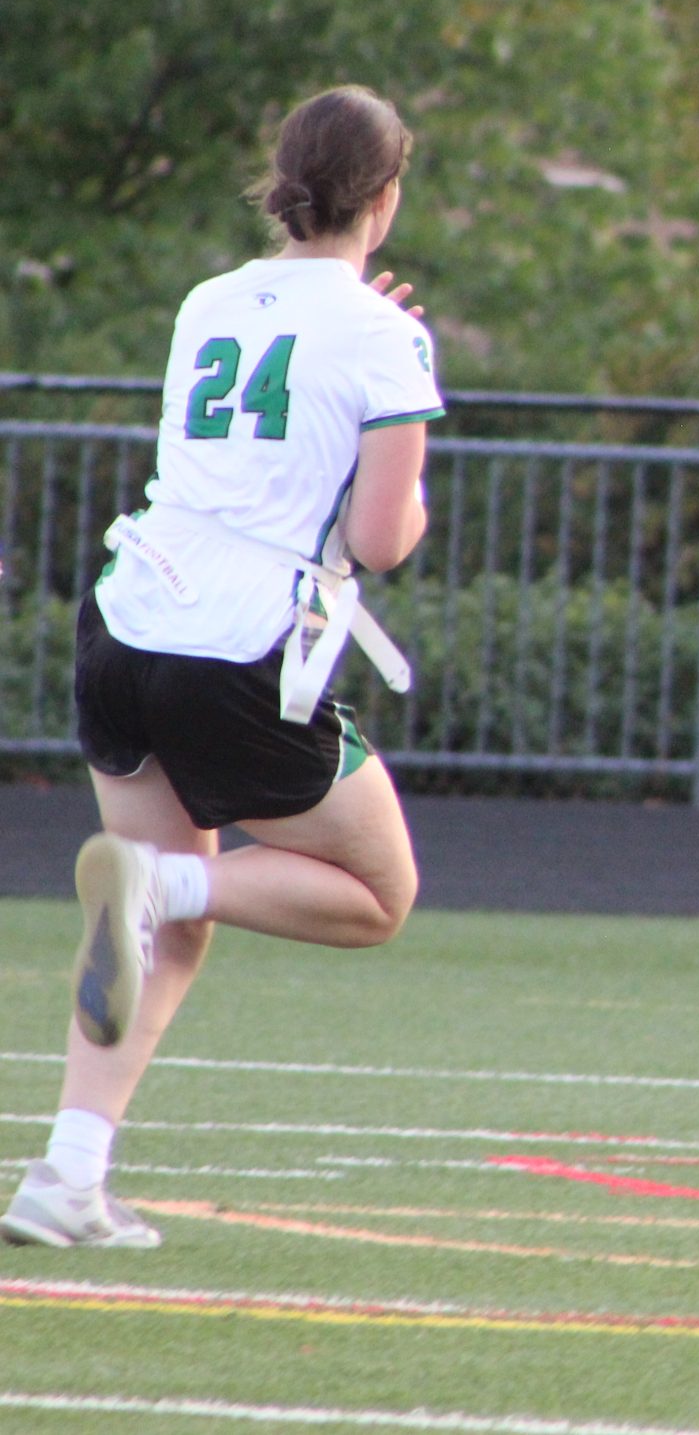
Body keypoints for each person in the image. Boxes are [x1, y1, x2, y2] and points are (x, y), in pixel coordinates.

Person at [3, 86, 442, 1247]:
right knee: (374, 895)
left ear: (282, 183)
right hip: (235, 648)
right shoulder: (387, 336)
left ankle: (66, 1176)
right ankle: (167, 884)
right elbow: (386, 538)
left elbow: (271, 403)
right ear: (386, 199)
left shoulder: (209, 301)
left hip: (128, 619)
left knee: (159, 931)